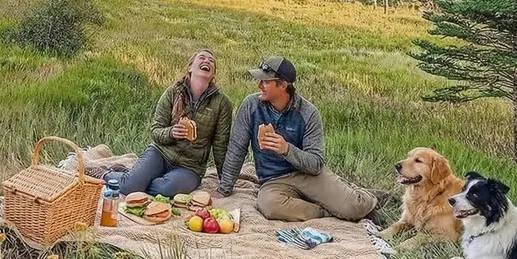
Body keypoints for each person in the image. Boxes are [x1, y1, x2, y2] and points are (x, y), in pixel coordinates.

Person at [214, 55, 389, 222]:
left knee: (354, 207)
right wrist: (224, 189)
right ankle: (326, 211)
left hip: (307, 175)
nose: (259, 85)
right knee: (269, 206)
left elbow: (315, 164)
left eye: (265, 81)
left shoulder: (308, 113)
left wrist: (287, 150)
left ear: (283, 85)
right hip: (273, 180)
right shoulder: (250, 105)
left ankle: (370, 196)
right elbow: (237, 148)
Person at [117, 49, 233, 198]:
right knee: (129, 187)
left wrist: (224, 184)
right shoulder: (172, 92)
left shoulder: (222, 103)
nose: (207, 61)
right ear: (190, 68)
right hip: (161, 153)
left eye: (211, 60)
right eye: (202, 58)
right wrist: (172, 132)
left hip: (191, 167)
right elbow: (156, 131)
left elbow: (220, 145)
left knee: (165, 190)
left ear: (213, 74)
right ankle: (111, 175)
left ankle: (138, 179)